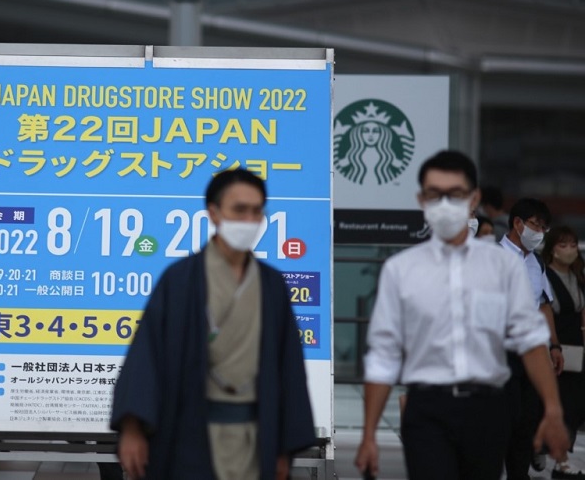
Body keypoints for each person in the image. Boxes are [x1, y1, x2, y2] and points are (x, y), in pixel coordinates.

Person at [355, 150, 568, 480]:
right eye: (434, 194)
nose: (444, 204)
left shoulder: (502, 267)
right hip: (427, 408)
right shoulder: (402, 270)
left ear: (473, 199)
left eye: (454, 194)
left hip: (487, 408)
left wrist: (552, 410)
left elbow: (530, 341)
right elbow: (383, 356)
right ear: (421, 200)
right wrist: (368, 434)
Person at [111, 169, 315, 480]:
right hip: (190, 433)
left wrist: (284, 449)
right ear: (214, 212)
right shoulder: (179, 279)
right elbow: (146, 356)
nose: (248, 220)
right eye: (239, 210)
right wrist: (132, 428)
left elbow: (288, 368)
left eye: (256, 211)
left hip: (255, 435)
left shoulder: (272, 285)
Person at [500, 198, 563, 480]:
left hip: (531, 354)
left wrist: (554, 345)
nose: (540, 232)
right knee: (499, 419)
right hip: (500, 354)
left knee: (526, 420)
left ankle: (518, 473)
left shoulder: (535, 262)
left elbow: (544, 306)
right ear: (518, 223)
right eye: (537, 225)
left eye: (543, 227)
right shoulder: (493, 257)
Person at [542, 226, 585, 479]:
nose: (568, 250)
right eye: (562, 245)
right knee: (561, 403)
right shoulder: (545, 276)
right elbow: (545, 311)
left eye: (572, 244)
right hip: (556, 345)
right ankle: (558, 457)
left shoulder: (579, 277)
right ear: (552, 249)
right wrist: (553, 344)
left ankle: (560, 453)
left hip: (577, 349)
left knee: (575, 404)